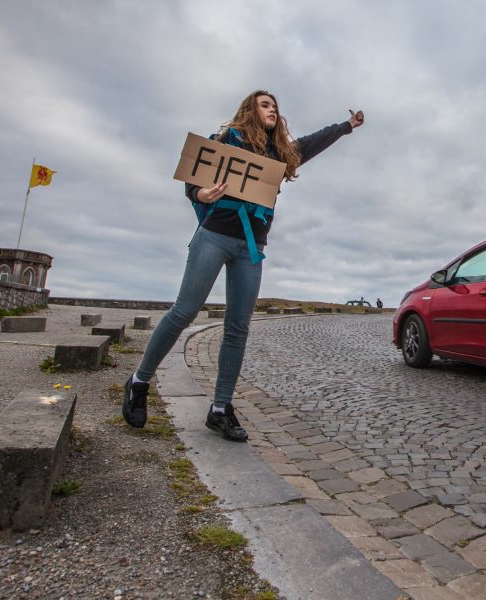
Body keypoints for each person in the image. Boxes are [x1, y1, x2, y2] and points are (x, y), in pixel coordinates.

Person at [123, 90, 365, 442]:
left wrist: (347, 126)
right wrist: (198, 194)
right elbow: (196, 175)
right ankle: (140, 382)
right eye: (265, 105)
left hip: (252, 246)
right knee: (184, 311)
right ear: (251, 110)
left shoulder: (281, 155)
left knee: (238, 327)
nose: (272, 110)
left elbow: (314, 141)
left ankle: (220, 409)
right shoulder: (226, 140)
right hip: (214, 235)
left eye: (276, 107)